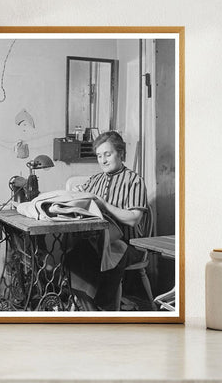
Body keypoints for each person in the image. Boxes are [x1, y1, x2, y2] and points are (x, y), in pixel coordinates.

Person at [67, 130, 149, 311]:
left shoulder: (134, 180)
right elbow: (78, 201)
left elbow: (134, 219)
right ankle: (87, 306)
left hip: (130, 244)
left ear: (120, 153)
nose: (103, 160)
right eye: (99, 156)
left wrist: (104, 205)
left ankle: (101, 307)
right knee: (75, 254)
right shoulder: (94, 180)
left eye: (107, 154)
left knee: (102, 253)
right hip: (99, 241)